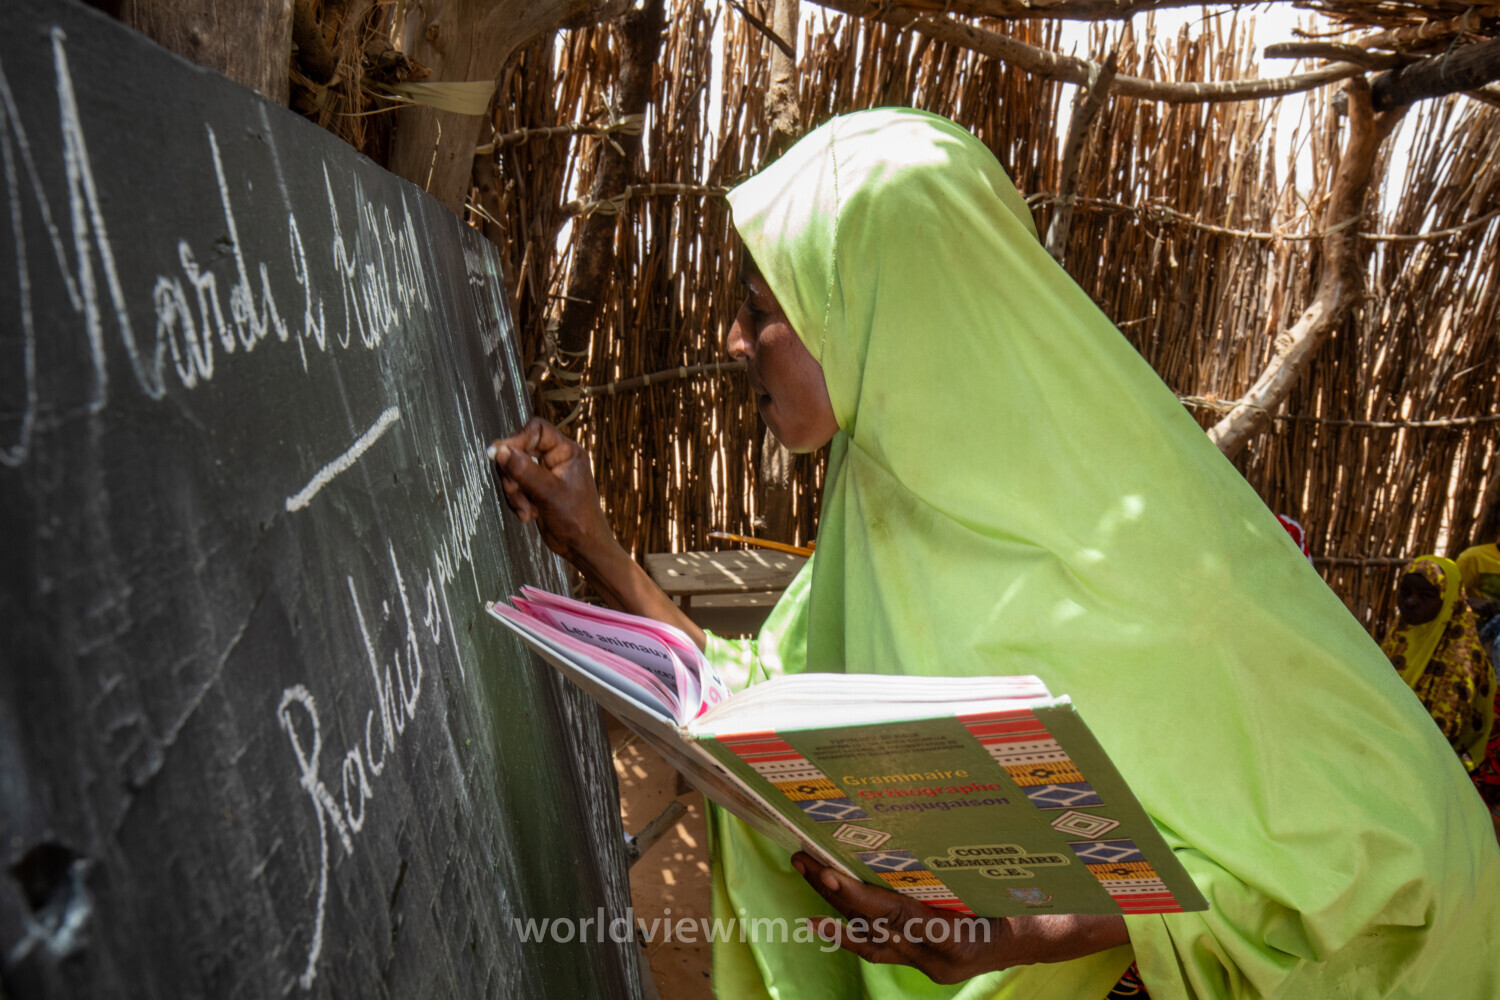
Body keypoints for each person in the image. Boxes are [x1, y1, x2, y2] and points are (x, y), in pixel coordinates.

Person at [490, 109, 1500, 998]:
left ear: (889, 308)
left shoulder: (1155, 563)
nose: (731, 338)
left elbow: (1399, 863)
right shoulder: (888, 514)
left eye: (762, 309)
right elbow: (766, 709)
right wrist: (594, 540)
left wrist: (1061, 927)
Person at [1380, 556, 1495, 769]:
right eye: (1405, 592)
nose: (1410, 601)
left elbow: (1440, 737)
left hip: (1433, 768)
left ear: (1448, 600)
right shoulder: (1398, 640)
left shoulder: (1461, 661)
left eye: (1426, 595)